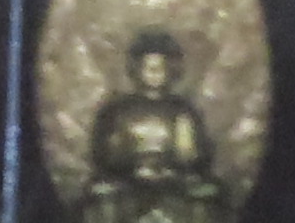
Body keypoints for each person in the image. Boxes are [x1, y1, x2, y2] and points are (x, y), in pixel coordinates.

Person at [81, 32, 225, 221]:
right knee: (100, 191)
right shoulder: (117, 110)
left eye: (162, 67)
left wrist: (176, 166)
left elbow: (199, 157)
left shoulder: (184, 110)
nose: (155, 73)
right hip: (127, 182)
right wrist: (133, 166)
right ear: (135, 69)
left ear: (173, 70)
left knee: (208, 191)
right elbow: (103, 155)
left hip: (176, 183)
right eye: (148, 67)